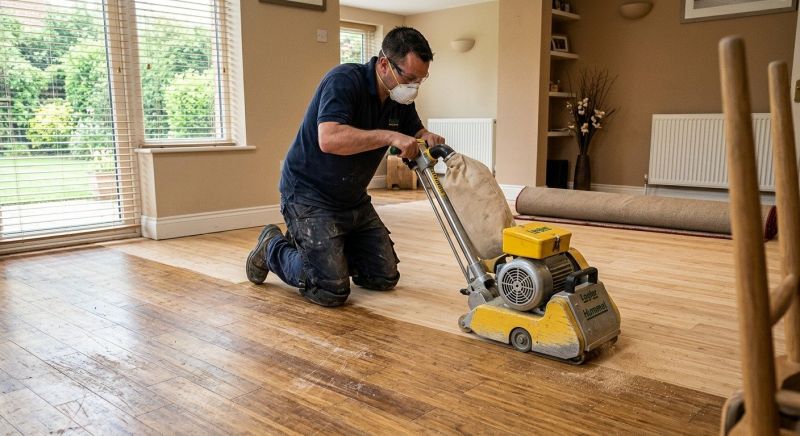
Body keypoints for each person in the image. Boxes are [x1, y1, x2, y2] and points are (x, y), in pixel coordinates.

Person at [245, 26, 444, 307]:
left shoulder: (399, 98)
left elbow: (415, 130)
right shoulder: (344, 80)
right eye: (409, 78)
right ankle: (272, 247)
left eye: (420, 80)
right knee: (329, 289)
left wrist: (427, 137)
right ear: (385, 64)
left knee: (383, 278)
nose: (413, 87)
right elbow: (329, 138)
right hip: (308, 195)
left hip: (352, 199)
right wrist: (389, 136)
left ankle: (324, 248)